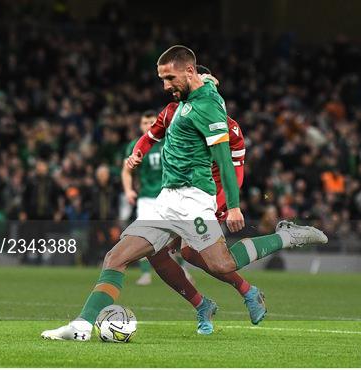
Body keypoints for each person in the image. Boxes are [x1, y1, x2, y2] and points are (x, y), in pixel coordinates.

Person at [41, 45, 327, 341]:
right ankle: (82, 326)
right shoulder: (181, 104)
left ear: (190, 72)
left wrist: (233, 206)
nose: (165, 86)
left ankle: (286, 235)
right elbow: (158, 128)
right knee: (116, 257)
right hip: (165, 203)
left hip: (194, 203)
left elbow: (226, 161)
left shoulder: (208, 107)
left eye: (169, 78)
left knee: (221, 263)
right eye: (162, 79)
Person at [144, 68, 265, 334]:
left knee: (190, 252)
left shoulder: (229, 127)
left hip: (208, 198)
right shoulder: (177, 114)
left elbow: (234, 173)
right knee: (155, 252)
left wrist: (223, 206)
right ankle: (206, 303)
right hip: (177, 197)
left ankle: (246, 291)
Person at [121, 110, 192, 286]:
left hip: (170, 196)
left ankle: (183, 269)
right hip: (146, 198)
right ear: (140, 125)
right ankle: (145, 274)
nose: (148, 126)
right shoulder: (135, 146)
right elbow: (126, 171)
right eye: (144, 123)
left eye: (151, 122)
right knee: (144, 236)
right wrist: (128, 190)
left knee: (177, 234)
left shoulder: (171, 141)